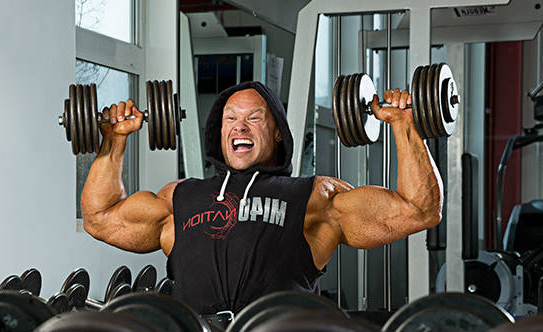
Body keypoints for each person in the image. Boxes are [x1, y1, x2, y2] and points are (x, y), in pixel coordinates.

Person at [81, 81, 442, 317]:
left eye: (254, 118)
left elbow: (419, 210)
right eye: (231, 119)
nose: (240, 127)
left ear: (278, 133)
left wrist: (404, 125)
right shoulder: (181, 198)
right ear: (219, 132)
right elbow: (100, 217)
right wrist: (113, 141)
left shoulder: (314, 197)